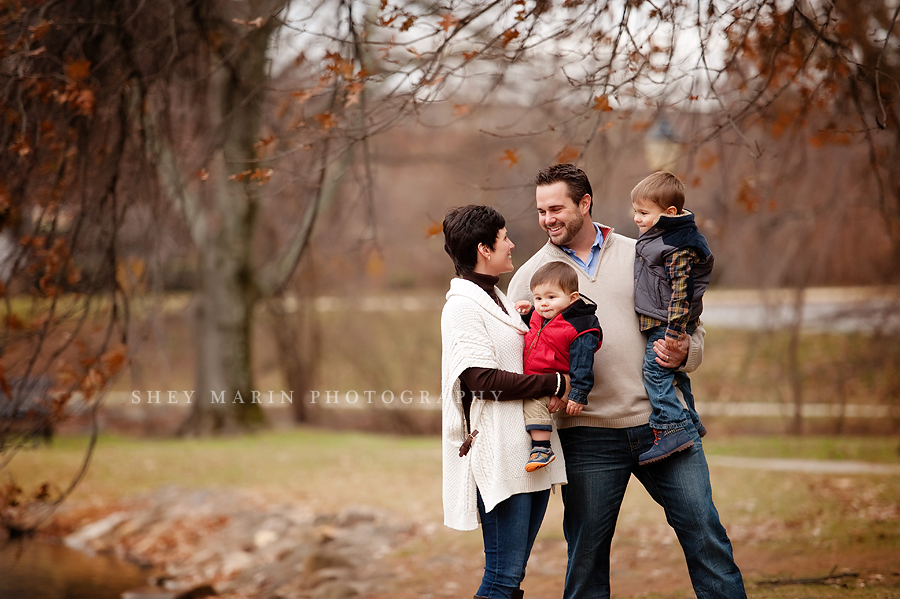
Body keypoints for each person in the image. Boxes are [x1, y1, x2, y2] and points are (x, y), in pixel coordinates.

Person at [507, 164, 746, 599]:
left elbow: (692, 325)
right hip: (587, 436)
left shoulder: (645, 252)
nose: (547, 219)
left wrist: (686, 351)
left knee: (706, 538)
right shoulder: (530, 277)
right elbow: (520, 360)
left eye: (557, 207)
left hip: (664, 425)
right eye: (541, 211)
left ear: (585, 203)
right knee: (586, 559)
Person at [440, 204, 568, 599]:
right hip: (498, 456)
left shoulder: (498, 298)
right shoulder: (461, 306)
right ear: (484, 248)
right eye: (504, 238)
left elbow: (515, 354)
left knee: (511, 579)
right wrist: (555, 381)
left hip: (526, 453)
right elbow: (481, 381)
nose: (512, 245)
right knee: (502, 579)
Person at [631, 171, 713, 465]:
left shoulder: (677, 245)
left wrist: (675, 331)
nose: (637, 218)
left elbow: (682, 290)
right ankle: (690, 418)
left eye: (643, 212)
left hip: (668, 323)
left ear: (670, 213)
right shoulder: (662, 239)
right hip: (668, 319)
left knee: (654, 372)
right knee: (675, 375)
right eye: (635, 211)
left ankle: (672, 429)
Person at [512, 261, 602, 472]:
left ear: (572, 298)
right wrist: (525, 312)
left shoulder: (580, 325)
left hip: (555, 379)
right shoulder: (538, 315)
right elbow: (533, 333)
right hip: (534, 377)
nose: (543, 304)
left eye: (551, 297)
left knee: (534, 404)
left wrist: (577, 393)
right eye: (538, 298)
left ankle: (542, 448)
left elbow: (583, 362)